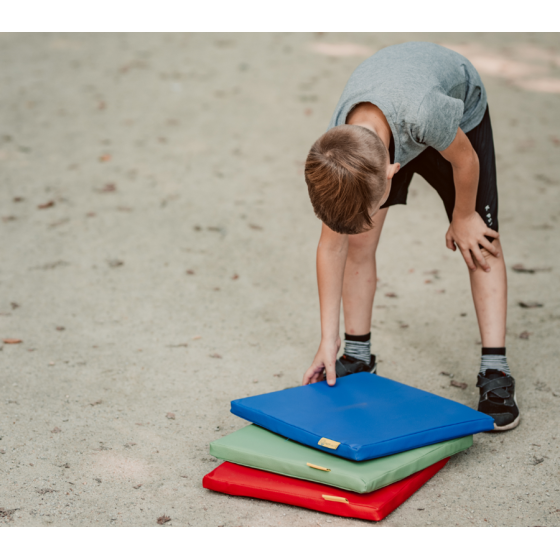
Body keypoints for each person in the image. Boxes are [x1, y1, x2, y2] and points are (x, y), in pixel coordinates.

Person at [301, 42, 519, 431]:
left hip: (455, 115)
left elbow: (465, 159)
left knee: (481, 242)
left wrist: (464, 215)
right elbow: (331, 246)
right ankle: (357, 354)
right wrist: (326, 338)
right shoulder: (339, 156)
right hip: (393, 112)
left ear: (392, 173)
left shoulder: (427, 114)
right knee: (359, 245)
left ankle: (495, 369)